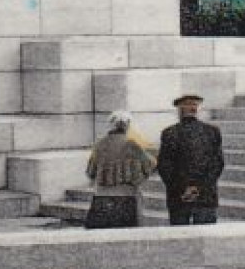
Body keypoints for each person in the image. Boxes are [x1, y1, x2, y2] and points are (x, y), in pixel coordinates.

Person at [156, 94, 224, 226]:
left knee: (181, 238)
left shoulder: (169, 133)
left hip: (180, 196)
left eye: (192, 104)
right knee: (205, 236)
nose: (191, 106)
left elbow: (164, 166)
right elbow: (217, 164)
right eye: (189, 104)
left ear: (179, 110)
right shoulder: (212, 131)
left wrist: (185, 189)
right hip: (205, 195)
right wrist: (198, 188)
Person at [84, 111, 156, 229]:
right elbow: (150, 165)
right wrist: (138, 178)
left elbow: (91, 172)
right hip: (127, 196)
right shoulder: (132, 144)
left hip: (102, 196)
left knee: (102, 234)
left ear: (111, 125)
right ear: (127, 125)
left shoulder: (100, 144)